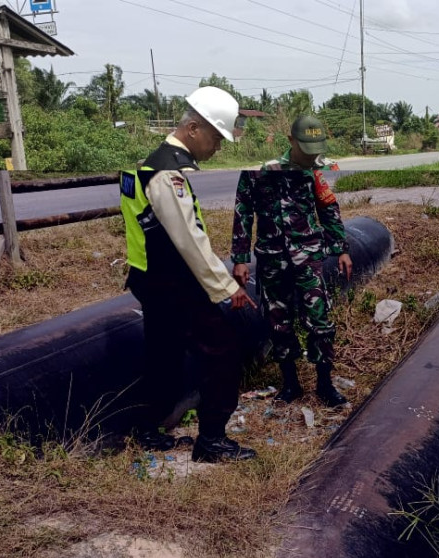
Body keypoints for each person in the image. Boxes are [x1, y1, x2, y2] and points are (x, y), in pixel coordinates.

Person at [119, 86, 258, 462]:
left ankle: (148, 429)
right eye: (215, 137)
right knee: (224, 350)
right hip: (175, 283)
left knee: (163, 354)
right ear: (193, 128)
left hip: (150, 278)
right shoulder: (167, 174)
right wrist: (226, 288)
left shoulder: (150, 165)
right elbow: (190, 240)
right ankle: (211, 441)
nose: (217, 147)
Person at [231, 115, 352, 408]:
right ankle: (290, 385)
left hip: (308, 257)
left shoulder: (315, 173)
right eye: (306, 147)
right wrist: (240, 258)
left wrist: (341, 249)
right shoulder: (260, 172)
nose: (312, 154)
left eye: (316, 148)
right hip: (272, 259)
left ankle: (325, 384)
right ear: (291, 141)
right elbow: (243, 212)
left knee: (319, 320)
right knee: (278, 323)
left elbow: (328, 209)